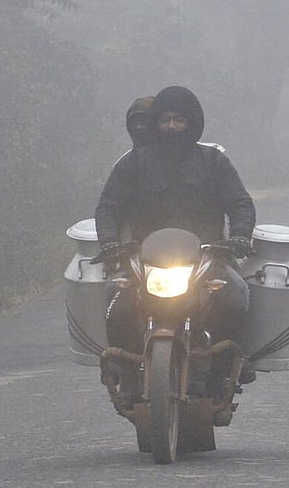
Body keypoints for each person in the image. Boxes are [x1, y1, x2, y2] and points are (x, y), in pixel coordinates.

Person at [94, 86, 256, 401]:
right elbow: (108, 207)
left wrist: (239, 236)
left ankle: (227, 369)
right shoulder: (133, 163)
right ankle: (123, 371)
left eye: (179, 119)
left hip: (208, 257)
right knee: (116, 297)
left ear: (192, 123)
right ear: (155, 123)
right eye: (165, 119)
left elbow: (241, 204)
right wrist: (110, 242)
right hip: (144, 259)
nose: (171, 126)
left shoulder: (213, 161)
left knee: (235, 295)